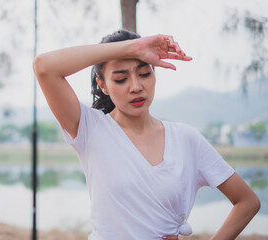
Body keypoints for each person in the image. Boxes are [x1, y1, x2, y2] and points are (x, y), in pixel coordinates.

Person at [33, 29, 260, 240]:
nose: (136, 86)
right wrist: (130, 48)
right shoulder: (90, 129)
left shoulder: (186, 139)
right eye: (121, 78)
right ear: (103, 85)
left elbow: (247, 202)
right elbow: (44, 66)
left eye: (143, 73)